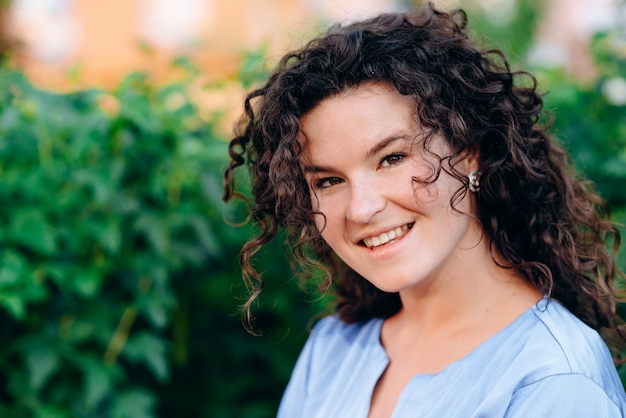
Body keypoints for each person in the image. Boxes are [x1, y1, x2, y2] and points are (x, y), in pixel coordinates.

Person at [223, 3, 626, 417]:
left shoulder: (555, 381)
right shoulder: (332, 350)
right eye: (328, 181)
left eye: (392, 158)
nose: (361, 209)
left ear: (470, 153)